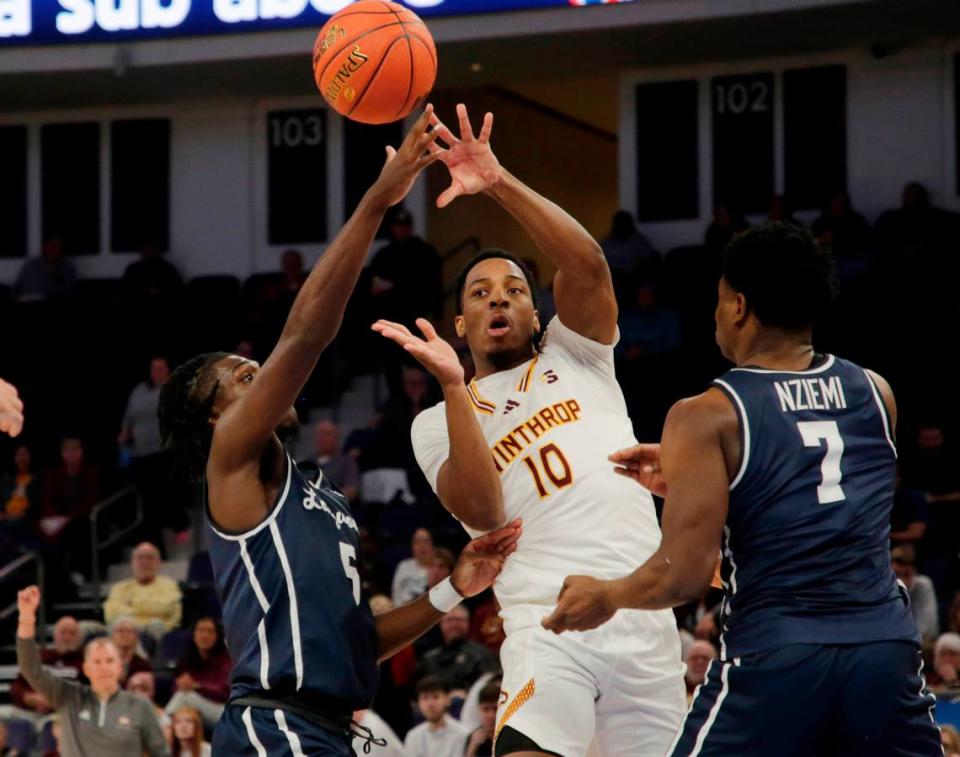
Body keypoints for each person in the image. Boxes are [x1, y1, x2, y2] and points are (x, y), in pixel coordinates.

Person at [156, 107, 522, 756]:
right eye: (244, 377)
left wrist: (451, 588)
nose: (262, 375)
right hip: (276, 726)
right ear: (215, 416)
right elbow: (305, 335)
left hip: (325, 728)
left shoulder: (318, 493)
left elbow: (358, 641)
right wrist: (377, 202)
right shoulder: (231, 460)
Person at [544, 222, 941, 756]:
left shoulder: (706, 415)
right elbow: (828, 488)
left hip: (777, 654)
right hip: (883, 648)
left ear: (738, 306)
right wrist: (704, 476)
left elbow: (683, 575)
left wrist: (607, 594)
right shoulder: (876, 391)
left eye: (718, 298)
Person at [377, 103, 685, 756]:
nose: (498, 297)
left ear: (537, 312)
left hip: (644, 620)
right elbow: (484, 512)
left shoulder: (577, 353)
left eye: (515, 288)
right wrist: (456, 386)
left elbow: (589, 264)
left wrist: (498, 182)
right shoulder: (437, 421)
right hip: (547, 624)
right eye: (480, 292)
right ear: (459, 325)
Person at [16, 586, 170, 756]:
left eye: (109, 661)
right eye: (97, 662)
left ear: (120, 667)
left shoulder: (140, 705)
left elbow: (161, 753)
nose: (103, 667)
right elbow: (30, 668)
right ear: (86, 668)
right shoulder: (69, 696)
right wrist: (26, 618)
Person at [119, 356, 180, 548]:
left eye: (161, 368)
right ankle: (155, 542)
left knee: (163, 495)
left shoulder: (174, 388)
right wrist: (124, 433)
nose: (158, 372)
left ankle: (177, 527)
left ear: (168, 371)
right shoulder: (139, 391)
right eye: (155, 369)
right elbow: (129, 417)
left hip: (165, 452)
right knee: (146, 501)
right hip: (141, 454)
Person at [103, 542, 182, 639]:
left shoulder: (169, 585)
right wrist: (147, 610)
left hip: (156, 630)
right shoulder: (119, 588)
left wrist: (131, 605)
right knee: (87, 627)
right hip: (125, 629)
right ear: (132, 562)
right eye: (140, 558)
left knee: (156, 624)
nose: (144, 562)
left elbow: (164, 608)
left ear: (158, 562)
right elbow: (110, 614)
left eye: (149, 558)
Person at [10, 616, 83, 717]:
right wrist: (28, 698)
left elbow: (87, 691)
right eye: (63, 633)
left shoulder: (85, 660)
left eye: (72, 633)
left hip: (67, 714)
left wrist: (54, 702)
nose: (67, 637)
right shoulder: (41, 656)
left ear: (79, 637)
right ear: (55, 636)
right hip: (30, 711)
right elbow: (17, 685)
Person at [165, 617, 232, 729]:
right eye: (201, 631)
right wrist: (181, 685)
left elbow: (224, 692)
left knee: (186, 696)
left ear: (217, 636)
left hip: (222, 711)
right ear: (194, 635)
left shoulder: (226, 660)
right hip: (195, 709)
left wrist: (196, 686)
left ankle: (161, 725)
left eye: (210, 632)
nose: (205, 635)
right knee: (183, 707)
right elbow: (175, 689)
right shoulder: (187, 659)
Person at [415, 606, 497, 694]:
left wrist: (465, 693)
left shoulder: (482, 655)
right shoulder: (428, 659)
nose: (454, 624)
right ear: (440, 623)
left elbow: (490, 687)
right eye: (449, 620)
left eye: (458, 620)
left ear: (468, 622)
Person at [403, 677, 470, 757]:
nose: (430, 704)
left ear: (447, 700)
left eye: (435, 697)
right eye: (425, 698)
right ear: (419, 703)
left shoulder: (462, 733)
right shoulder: (413, 736)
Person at [301, 420, 360, 502]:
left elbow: (351, 492)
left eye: (326, 434)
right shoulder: (306, 464)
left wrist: (320, 498)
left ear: (337, 438)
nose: (321, 438)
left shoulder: (347, 462)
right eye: (318, 434)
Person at [891, 545, 939, 641]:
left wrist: (905, 592)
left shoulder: (923, 584)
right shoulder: (883, 588)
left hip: (919, 642)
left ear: (914, 572)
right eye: (897, 575)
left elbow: (927, 628)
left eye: (906, 574)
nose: (901, 581)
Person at [13, 237, 76, 302]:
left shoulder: (67, 269)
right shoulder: (31, 265)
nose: (56, 250)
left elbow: (68, 292)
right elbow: (16, 289)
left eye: (59, 247)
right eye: (53, 246)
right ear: (46, 247)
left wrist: (55, 275)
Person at [127, 671, 173, 744]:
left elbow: (166, 744)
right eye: (134, 689)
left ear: (151, 692)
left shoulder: (162, 717)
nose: (138, 694)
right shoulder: (123, 714)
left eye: (143, 689)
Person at [392, 528, 435, 606]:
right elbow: (395, 593)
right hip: (401, 611)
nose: (422, 546)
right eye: (417, 542)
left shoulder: (439, 567)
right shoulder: (403, 566)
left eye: (426, 541)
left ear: (432, 544)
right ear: (412, 545)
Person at [108, 616, 152, 687]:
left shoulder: (143, 665)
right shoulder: (104, 664)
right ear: (112, 636)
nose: (124, 635)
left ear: (136, 636)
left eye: (128, 631)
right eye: (120, 631)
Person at [464, 680, 500, 757]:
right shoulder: (473, 738)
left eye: (495, 709)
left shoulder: (510, 736)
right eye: (486, 709)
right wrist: (472, 748)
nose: (491, 715)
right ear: (479, 709)